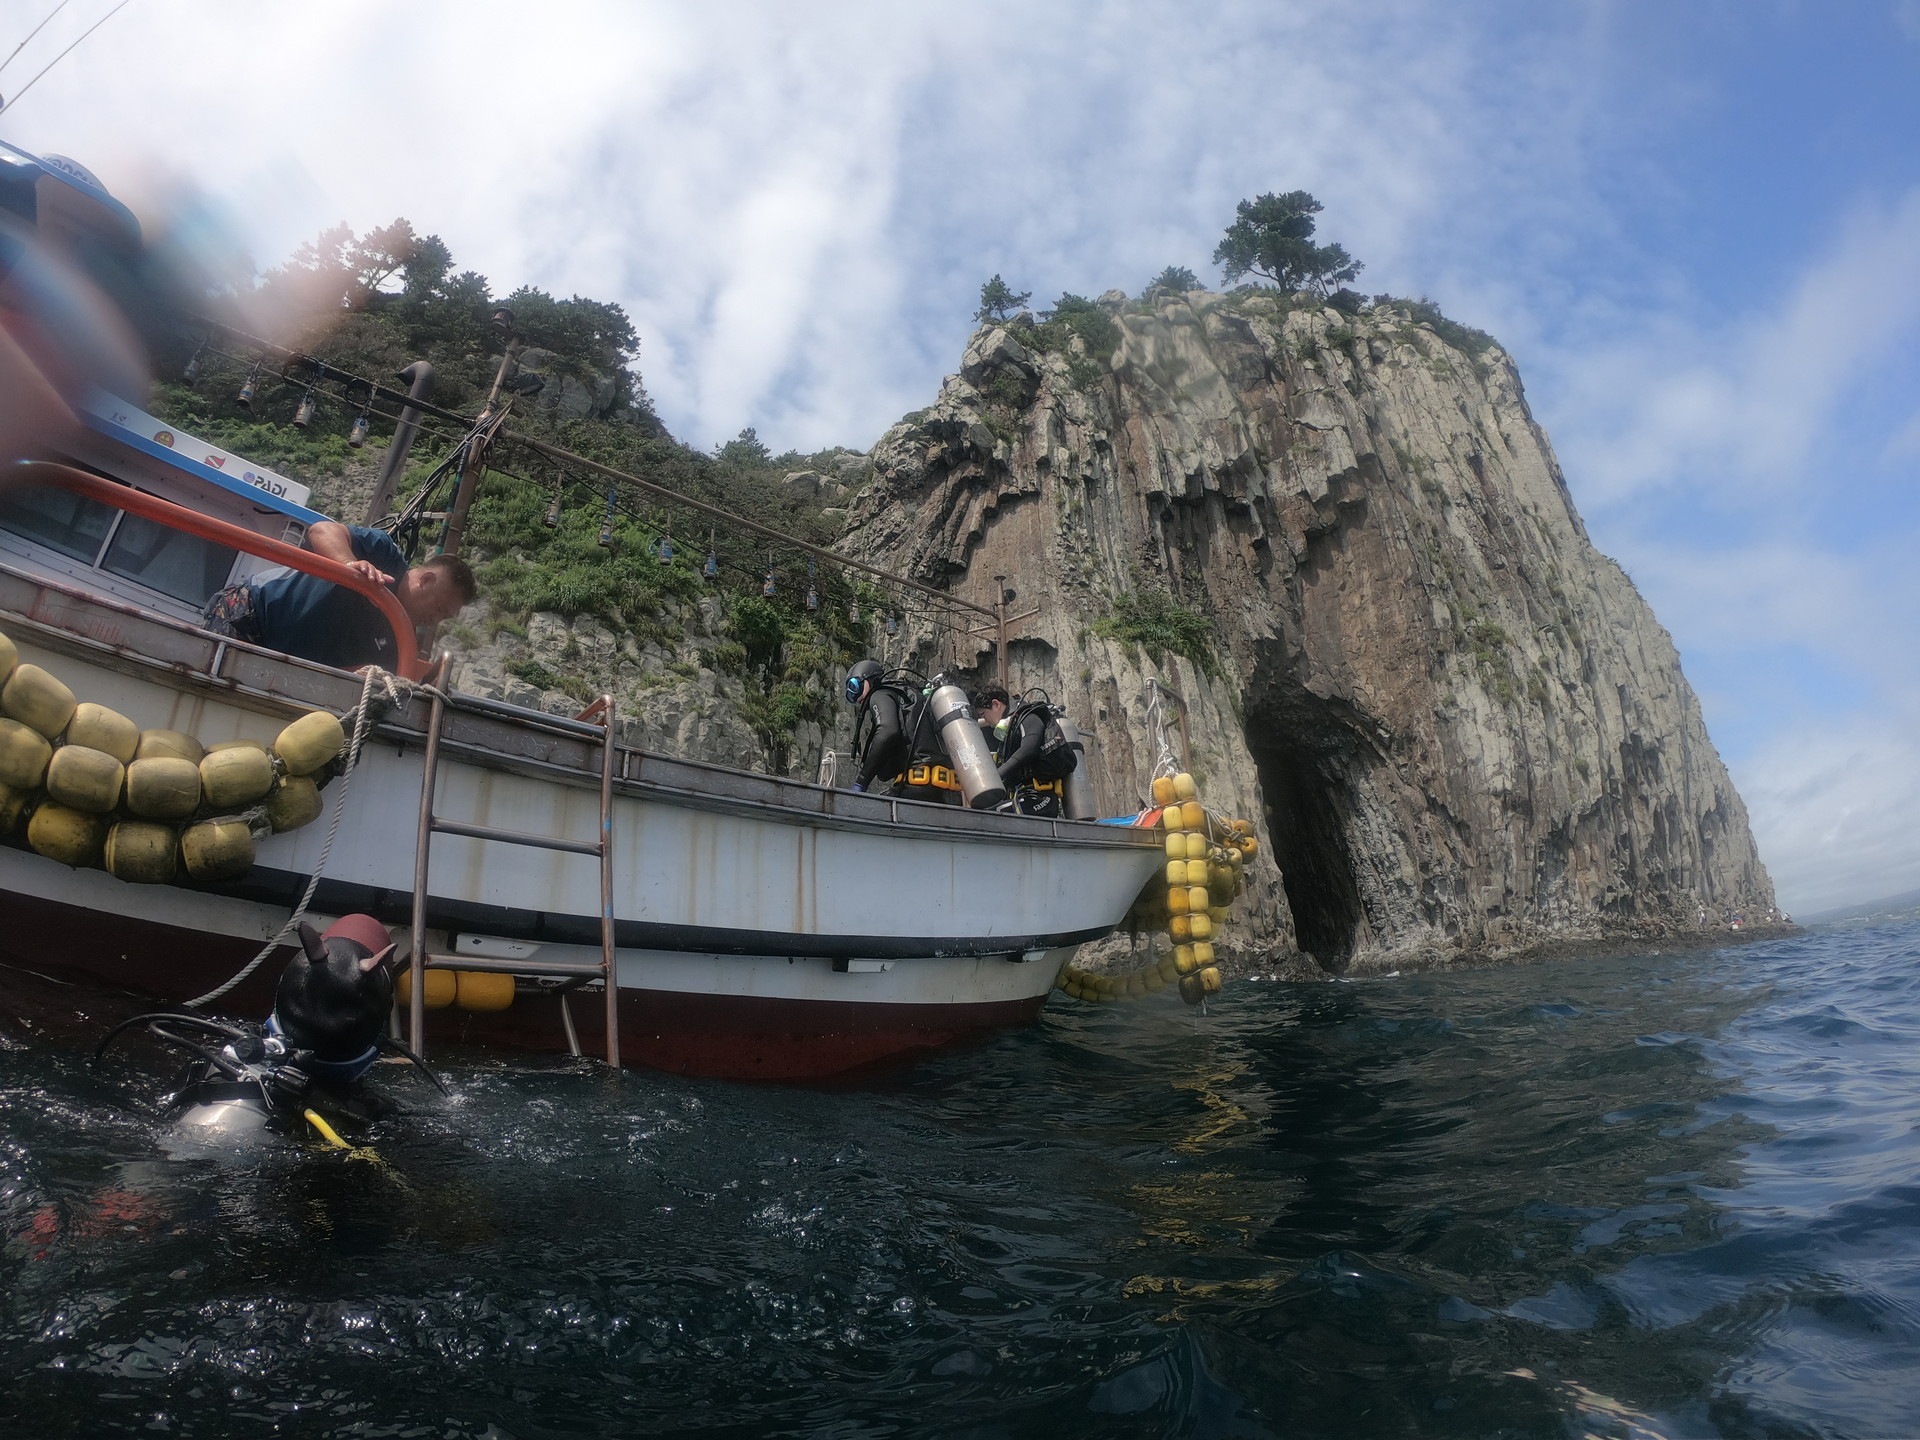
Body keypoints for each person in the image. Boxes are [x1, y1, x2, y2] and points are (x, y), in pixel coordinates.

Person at [201, 521, 474, 671]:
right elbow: (321, 530)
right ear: (426, 580)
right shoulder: (382, 552)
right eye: (439, 608)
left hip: (284, 666)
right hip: (250, 613)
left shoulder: (400, 644)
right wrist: (348, 564)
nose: (435, 620)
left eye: (444, 617)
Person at [844, 660, 961, 805]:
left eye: (854, 687)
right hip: (950, 791)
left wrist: (861, 781)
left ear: (867, 680)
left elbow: (887, 731)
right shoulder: (914, 696)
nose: (855, 697)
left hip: (917, 788)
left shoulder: (880, 693)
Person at [974, 685, 1067, 817]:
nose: (985, 721)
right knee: (981, 810)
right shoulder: (1012, 730)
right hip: (1024, 797)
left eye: (983, 714)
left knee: (984, 816)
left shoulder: (1027, 717)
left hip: (1039, 798)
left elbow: (1029, 749)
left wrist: (996, 775)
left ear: (996, 704)